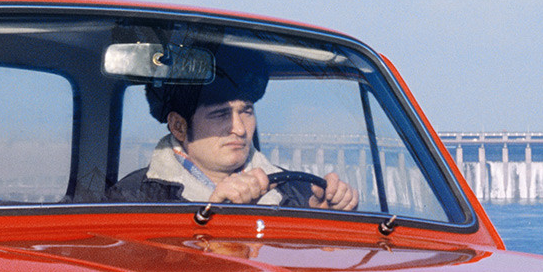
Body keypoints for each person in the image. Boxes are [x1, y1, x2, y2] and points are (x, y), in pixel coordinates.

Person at [110, 49, 360, 210]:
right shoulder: (131, 198)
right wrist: (212, 216)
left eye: (246, 111)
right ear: (179, 126)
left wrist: (321, 217)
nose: (239, 129)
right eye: (220, 114)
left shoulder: (298, 192)